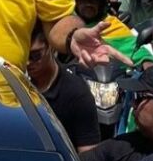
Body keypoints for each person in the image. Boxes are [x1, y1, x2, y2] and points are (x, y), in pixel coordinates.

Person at [26, 22, 100, 152]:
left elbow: (88, 155)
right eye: (24, 55)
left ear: (51, 48)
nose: (28, 62)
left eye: (35, 55)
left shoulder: (77, 94)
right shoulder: (15, 86)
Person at [70, 0, 153, 66]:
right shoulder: (64, 25)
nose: (88, 4)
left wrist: (148, 64)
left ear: (103, 2)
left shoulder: (112, 26)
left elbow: (138, 53)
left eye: (93, 0)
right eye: (82, 0)